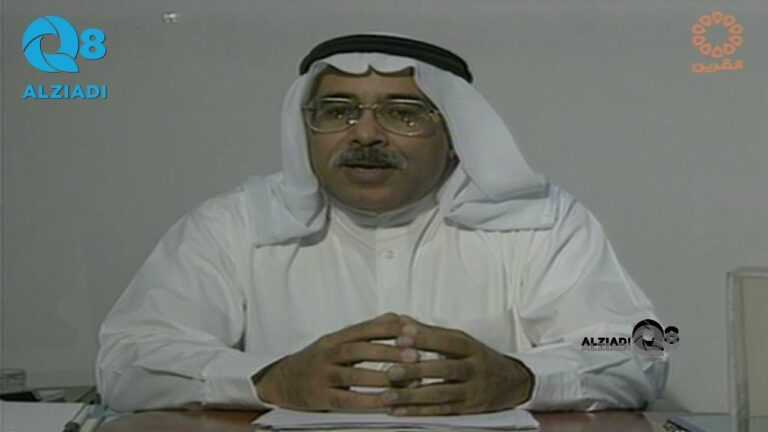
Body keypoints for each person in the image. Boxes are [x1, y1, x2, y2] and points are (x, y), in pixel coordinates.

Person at [96, 33, 668, 414]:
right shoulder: (232, 223)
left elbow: (643, 345)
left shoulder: (541, 219)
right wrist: (268, 379)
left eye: (403, 113)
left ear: (457, 135)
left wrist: (523, 379)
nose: (365, 134)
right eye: (337, 111)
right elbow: (126, 358)